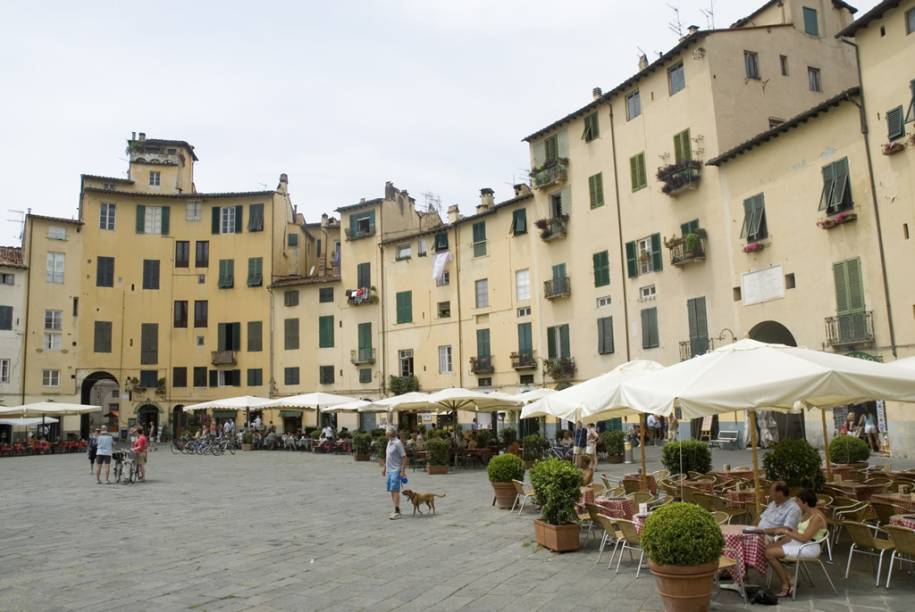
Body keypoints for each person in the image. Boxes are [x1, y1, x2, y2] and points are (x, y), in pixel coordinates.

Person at [764, 489, 828, 598]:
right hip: (799, 543)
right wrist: (784, 537)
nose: (796, 503)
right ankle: (790, 578)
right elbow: (797, 533)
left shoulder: (816, 517)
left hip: (809, 547)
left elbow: (804, 538)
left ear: (805, 502)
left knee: (770, 553)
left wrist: (785, 532)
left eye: (798, 501)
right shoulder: (807, 514)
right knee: (767, 549)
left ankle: (786, 585)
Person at [381, 426, 407, 520]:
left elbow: (404, 457)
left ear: (390, 433)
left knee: (395, 490)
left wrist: (402, 471)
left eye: (386, 431)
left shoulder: (397, 443)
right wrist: (384, 468)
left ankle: (397, 511)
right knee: (392, 490)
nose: (385, 433)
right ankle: (396, 509)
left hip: (396, 470)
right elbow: (388, 457)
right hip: (389, 470)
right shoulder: (389, 441)